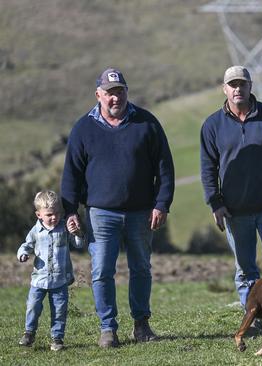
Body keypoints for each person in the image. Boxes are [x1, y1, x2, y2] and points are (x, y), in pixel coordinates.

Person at [61, 68, 175, 347]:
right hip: (101, 213)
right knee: (101, 271)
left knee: (141, 269)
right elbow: (71, 174)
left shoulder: (146, 123)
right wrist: (70, 211)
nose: (115, 98)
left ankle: (141, 325)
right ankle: (107, 328)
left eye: (120, 91)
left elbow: (165, 168)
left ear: (127, 92)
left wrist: (161, 204)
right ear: (98, 95)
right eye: (110, 93)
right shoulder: (83, 128)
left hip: (141, 213)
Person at [200, 66, 262, 324]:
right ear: (224, 89)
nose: (237, 89)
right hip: (235, 210)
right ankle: (253, 319)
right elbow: (208, 168)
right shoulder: (212, 125)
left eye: (242, 84)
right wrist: (215, 203)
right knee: (245, 269)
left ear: (250, 87)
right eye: (232, 85)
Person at [17, 190, 84, 351]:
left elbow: (79, 244)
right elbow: (26, 245)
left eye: (57, 213)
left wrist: (77, 233)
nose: (54, 217)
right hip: (38, 280)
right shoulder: (35, 231)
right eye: (49, 215)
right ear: (39, 214)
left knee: (60, 310)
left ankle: (57, 338)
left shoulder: (64, 228)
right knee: (33, 306)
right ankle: (29, 333)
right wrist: (23, 253)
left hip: (60, 279)